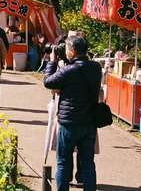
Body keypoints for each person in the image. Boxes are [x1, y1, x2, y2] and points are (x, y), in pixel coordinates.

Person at [43, 35, 102, 191]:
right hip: (89, 123)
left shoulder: (68, 70)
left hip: (68, 124)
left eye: (67, 48)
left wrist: (52, 61)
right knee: (88, 163)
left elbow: (48, 82)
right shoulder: (96, 68)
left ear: (72, 51)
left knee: (63, 162)